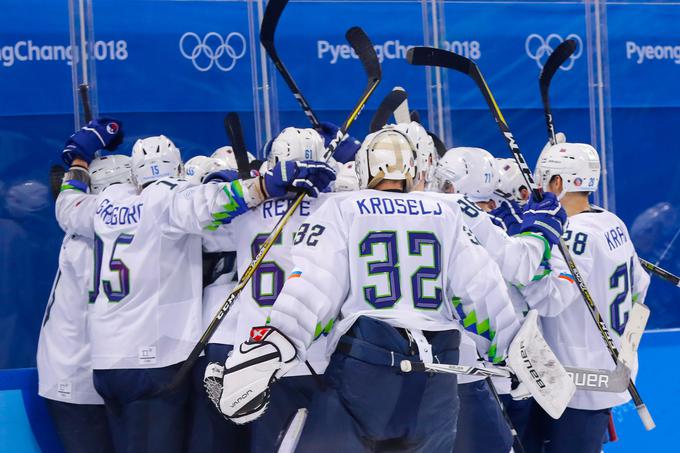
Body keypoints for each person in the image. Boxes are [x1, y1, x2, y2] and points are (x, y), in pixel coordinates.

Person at [210, 127, 523, 451]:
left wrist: (272, 349)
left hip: (369, 368)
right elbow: (483, 289)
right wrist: (515, 352)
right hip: (437, 378)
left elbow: (314, 288)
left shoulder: (343, 207)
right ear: (413, 169)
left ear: (365, 168)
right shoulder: (445, 211)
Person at [54, 119, 335, 453]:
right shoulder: (169, 200)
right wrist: (261, 187)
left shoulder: (103, 206)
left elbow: (67, 207)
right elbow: (208, 205)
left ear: (134, 175)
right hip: (155, 360)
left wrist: (78, 161)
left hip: (106, 363)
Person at [201, 127, 338, 452]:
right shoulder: (337, 208)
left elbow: (205, 225)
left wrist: (227, 182)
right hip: (323, 352)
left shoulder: (246, 213)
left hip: (257, 356)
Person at [427, 146, 567, 453]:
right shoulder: (477, 218)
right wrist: (541, 229)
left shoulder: (426, 210)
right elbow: (523, 269)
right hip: (492, 371)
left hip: (436, 365)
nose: (439, 187)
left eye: (446, 181)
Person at [520, 142, 651, 453]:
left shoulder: (573, 234)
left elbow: (550, 301)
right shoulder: (610, 220)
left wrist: (520, 267)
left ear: (558, 184)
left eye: (545, 181)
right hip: (605, 370)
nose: (540, 191)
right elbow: (640, 286)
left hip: (575, 381)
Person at [37, 154, 131, 453]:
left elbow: (68, 203)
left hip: (94, 375)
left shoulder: (88, 231)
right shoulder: (87, 242)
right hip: (75, 377)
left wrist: (76, 170)